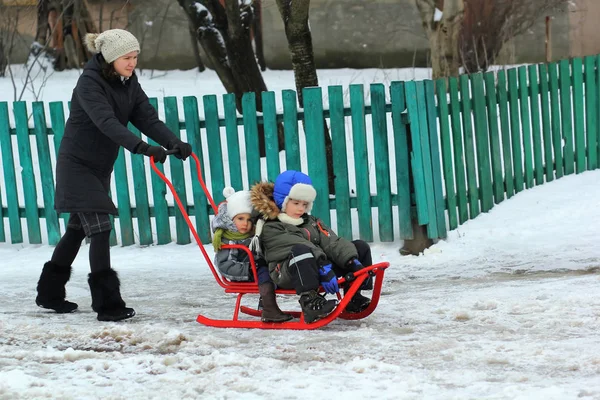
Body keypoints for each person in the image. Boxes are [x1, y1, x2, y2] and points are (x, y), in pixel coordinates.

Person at [35, 29, 193, 322]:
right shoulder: (89, 84)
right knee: (100, 227)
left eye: (135, 57)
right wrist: (143, 148)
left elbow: (147, 117)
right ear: (110, 58)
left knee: (77, 229)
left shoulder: (128, 83)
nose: (132, 63)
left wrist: (173, 142)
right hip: (77, 164)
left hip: (99, 166)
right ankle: (108, 305)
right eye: (127, 58)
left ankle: (49, 294)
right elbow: (106, 122)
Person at [250, 170, 373, 324]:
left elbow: (331, 241)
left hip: (318, 267)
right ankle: (310, 302)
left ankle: (353, 296)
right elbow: (298, 244)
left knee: (358, 247)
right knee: (301, 251)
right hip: (288, 271)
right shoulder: (272, 226)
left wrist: (352, 261)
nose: (301, 209)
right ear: (282, 200)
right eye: (296, 203)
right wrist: (323, 266)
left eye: (305, 204)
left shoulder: (310, 221)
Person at [211, 187, 292, 323]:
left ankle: (268, 302)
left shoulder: (254, 236)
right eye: (240, 218)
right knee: (264, 269)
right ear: (231, 220)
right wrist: (250, 268)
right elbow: (225, 265)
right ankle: (269, 309)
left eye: (249, 220)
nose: (245, 223)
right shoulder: (227, 240)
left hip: (258, 269)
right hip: (243, 273)